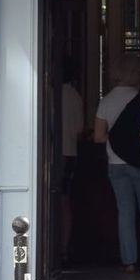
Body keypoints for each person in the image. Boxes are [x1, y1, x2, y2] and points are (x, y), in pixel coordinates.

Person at [93, 53, 140, 273]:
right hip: (139, 161)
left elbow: (98, 137)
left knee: (124, 211)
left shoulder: (105, 100)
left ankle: (129, 261)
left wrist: (116, 139)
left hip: (115, 164)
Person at [59, 59, 83, 263]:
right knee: (65, 201)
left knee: (50, 201)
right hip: (70, 153)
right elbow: (79, 129)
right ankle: (64, 249)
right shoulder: (74, 96)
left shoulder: (49, 93)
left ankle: (53, 248)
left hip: (54, 154)